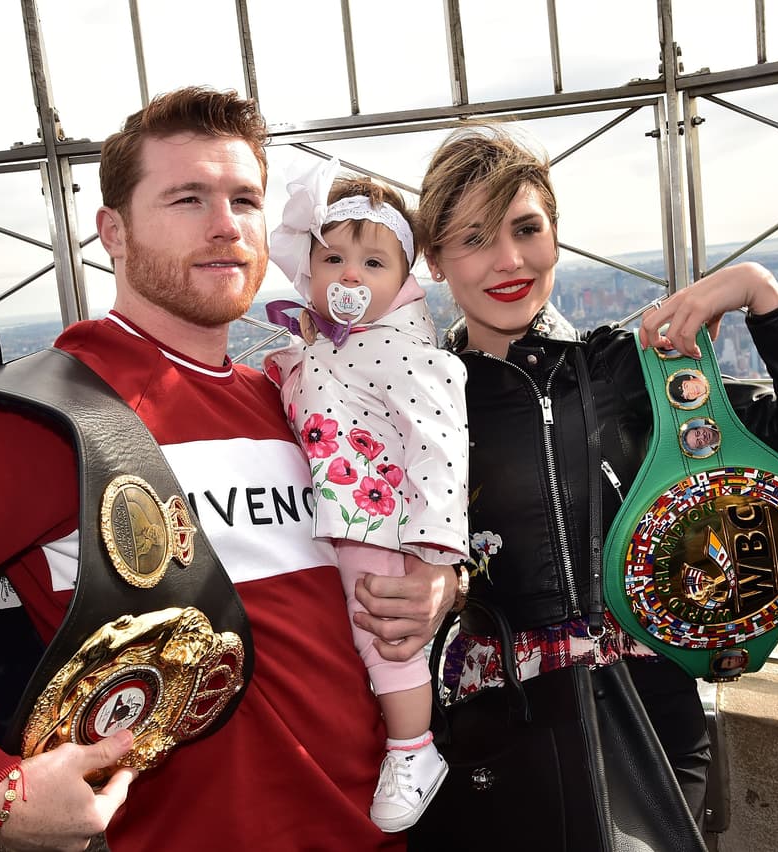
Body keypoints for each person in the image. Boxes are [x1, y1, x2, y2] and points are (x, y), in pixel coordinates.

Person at [0, 87, 454, 852]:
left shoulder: (288, 400)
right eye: (187, 198)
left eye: (245, 199)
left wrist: (441, 579)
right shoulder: (55, 416)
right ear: (114, 232)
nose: (225, 225)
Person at [406, 126, 778, 844]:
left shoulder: (626, 369)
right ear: (434, 259)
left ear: (556, 234)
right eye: (473, 238)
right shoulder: (418, 402)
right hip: (499, 722)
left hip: (652, 713)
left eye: (527, 229)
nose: (510, 260)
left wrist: (761, 296)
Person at [262, 158, 468, 832]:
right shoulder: (329, 342)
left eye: (374, 263)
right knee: (358, 637)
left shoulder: (403, 350)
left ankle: (414, 750)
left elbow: (440, 445)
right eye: (334, 257)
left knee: (387, 638)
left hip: (380, 521)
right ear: (309, 269)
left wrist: (435, 549)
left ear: (403, 281)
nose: (351, 274)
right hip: (339, 517)